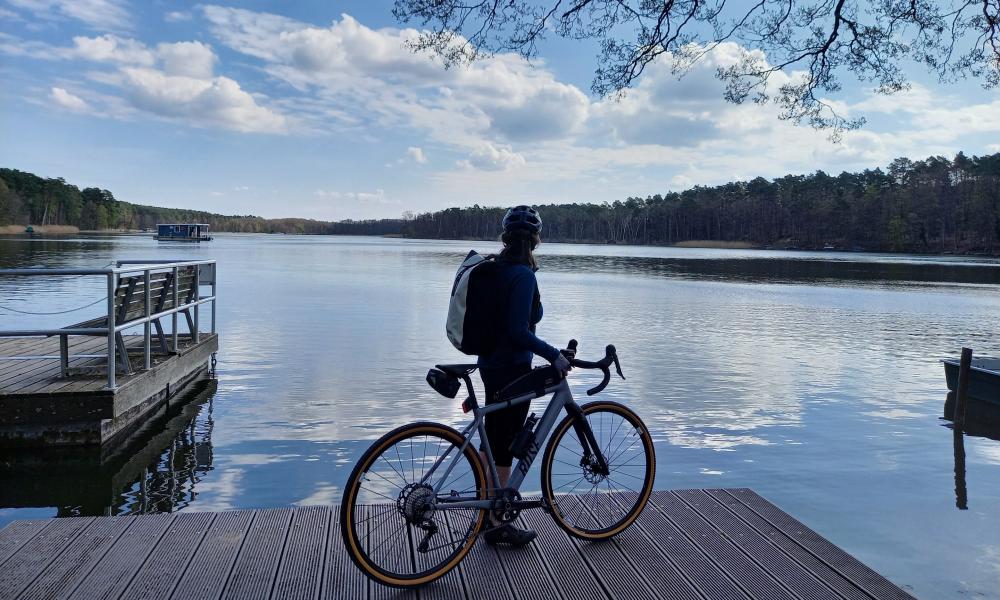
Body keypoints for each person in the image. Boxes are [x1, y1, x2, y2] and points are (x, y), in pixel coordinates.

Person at [478, 205, 572, 546]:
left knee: (493, 437)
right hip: (511, 367)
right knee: (504, 446)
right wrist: (554, 356)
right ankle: (497, 520)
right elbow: (519, 330)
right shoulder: (522, 275)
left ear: (505, 238)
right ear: (535, 239)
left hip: (488, 363)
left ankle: (486, 508)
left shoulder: (496, 268)